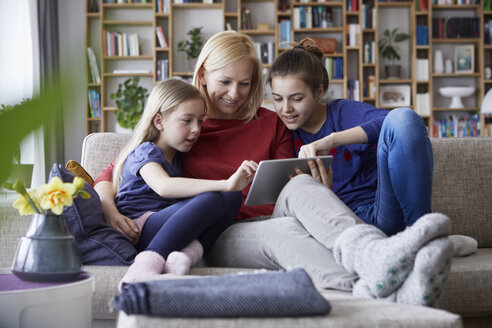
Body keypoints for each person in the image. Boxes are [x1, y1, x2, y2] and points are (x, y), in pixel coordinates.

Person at [95, 31, 452, 306]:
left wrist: (318, 185)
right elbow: (119, 167)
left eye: (245, 83)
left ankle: (374, 256)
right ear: (202, 75)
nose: (235, 94)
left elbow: (291, 175)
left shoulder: (270, 121)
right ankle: (378, 292)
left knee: (299, 187)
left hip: (283, 212)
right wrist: (110, 209)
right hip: (227, 230)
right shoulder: (186, 124)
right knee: (282, 234)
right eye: (225, 82)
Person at [267, 38, 434, 237]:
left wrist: (332, 139)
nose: (286, 109)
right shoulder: (282, 133)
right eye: (277, 99)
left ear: (318, 92)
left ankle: (424, 234)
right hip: (337, 225)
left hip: (381, 213)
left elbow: (396, 123)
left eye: (297, 99)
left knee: (405, 117)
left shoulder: (342, 112)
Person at [113, 78, 257, 285]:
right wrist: (225, 183)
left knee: (233, 196)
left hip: (168, 225)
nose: (196, 129)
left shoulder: (179, 156)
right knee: (214, 198)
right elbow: (163, 186)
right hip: (140, 227)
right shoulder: (145, 151)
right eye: (187, 120)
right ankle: (145, 264)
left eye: (200, 121)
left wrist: (230, 189)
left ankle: (185, 256)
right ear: (159, 121)